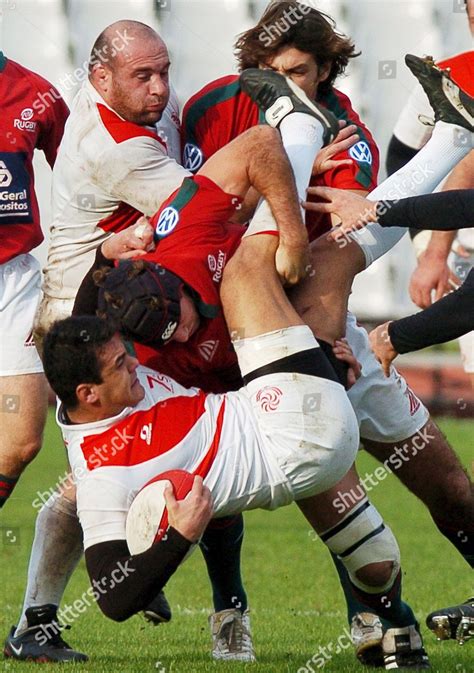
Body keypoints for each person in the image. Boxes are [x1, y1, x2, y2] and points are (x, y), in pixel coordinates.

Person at [43, 96, 430, 665]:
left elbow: (86, 322)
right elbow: (113, 596)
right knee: (277, 263)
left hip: (299, 421)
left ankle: (395, 626)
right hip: (293, 422)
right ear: (89, 395)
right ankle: (332, 128)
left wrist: (104, 257)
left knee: (376, 564)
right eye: (125, 365)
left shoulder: (114, 366)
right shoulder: (103, 469)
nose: (143, 363)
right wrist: (178, 537)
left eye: (131, 354)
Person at [180, 2, 474, 657]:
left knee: (449, 485)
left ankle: (381, 625)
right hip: (249, 333)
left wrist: (330, 341)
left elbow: (329, 267)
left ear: (328, 70)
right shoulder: (208, 107)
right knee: (323, 475)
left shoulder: (352, 138)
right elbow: (183, 209)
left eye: (299, 73)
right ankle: (380, 628)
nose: (283, 82)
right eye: (270, 71)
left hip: (325, 329)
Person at [5, 20, 254, 664]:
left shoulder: (137, 103)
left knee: (146, 459)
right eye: (144, 76)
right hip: (83, 320)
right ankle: (58, 611)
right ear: (101, 79)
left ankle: (92, 598)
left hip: (119, 306)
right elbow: (212, 207)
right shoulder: (118, 146)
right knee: (94, 477)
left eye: (164, 71)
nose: (161, 88)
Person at [0, 52, 76, 660]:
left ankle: (31, 631)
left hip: (16, 280)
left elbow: (80, 173)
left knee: (22, 439)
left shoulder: (35, 94)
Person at [385, 0, 473, 386]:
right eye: (473, 16)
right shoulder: (451, 74)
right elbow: (401, 153)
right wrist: (429, 251)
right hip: (463, 252)